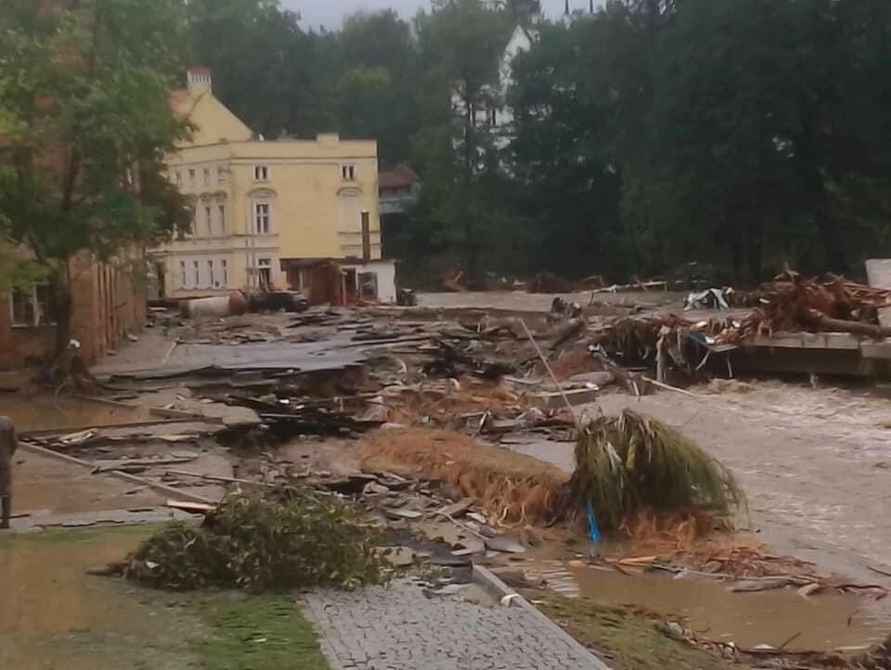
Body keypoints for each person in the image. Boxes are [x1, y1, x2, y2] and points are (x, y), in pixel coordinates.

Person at [0, 416, 17, 530]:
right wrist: (7, 456)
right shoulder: (7, 422)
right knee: (6, 490)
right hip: (4, 462)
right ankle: (6, 521)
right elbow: (15, 444)